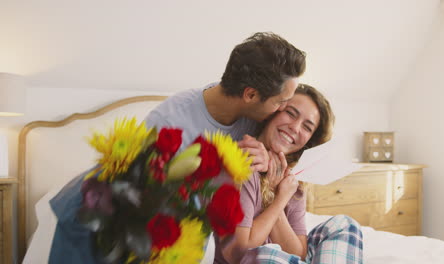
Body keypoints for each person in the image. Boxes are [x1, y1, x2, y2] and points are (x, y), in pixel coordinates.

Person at [48, 32, 306, 263]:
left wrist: (262, 153)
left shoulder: (252, 116)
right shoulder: (170, 124)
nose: (282, 110)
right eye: (281, 102)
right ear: (250, 95)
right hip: (99, 210)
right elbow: (145, 206)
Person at [215, 84, 363, 264]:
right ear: (273, 112)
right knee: (267, 254)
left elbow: (298, 253)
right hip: (252, 260)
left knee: (344, 225)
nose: (295, 127)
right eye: (291, 113)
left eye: (307, 127)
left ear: (309, 142)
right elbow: (238, 251)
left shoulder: (293, 182)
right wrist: (279, 200)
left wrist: (278, 192)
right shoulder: (244, 162)